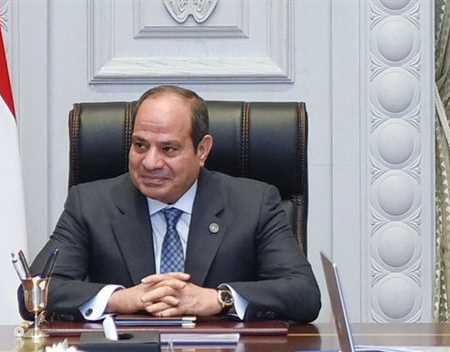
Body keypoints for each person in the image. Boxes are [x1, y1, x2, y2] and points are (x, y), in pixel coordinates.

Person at [22, 85, 321, 322]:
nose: (150, 162)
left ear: (202, 150)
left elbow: (304, 293)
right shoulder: (90, 204)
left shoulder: (254, 203)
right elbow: (34, 293)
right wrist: (119, 299)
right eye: (140, 145)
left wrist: (219, 299)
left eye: (168, 149)